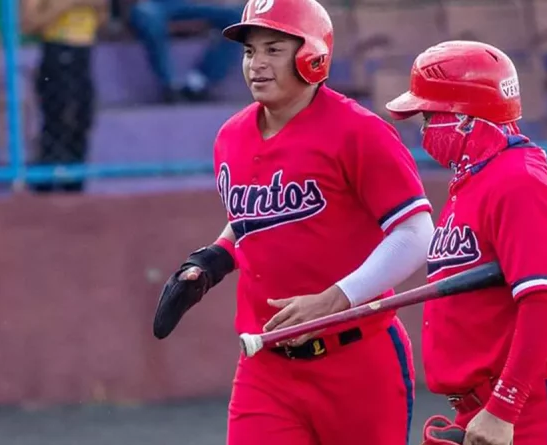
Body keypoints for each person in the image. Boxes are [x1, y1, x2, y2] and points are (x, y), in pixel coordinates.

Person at [152, 1, 434, 444]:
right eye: (249, 52)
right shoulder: (231, 136)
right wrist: (209, 263)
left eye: (273, 49)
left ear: (312, 55)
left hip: (358, 361)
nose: (256, 65)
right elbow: (252, 223)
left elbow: (416, 232)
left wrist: (335, 299)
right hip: (265, 365)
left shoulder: (359, 132)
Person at [385, 41, 547, 445]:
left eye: (430, 115)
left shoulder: (518, 181)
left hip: (529, 407)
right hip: (484, 410)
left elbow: (545, 300)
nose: (424, 128)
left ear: (465, 117)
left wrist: (504, 408)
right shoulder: (474, 181)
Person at [20, 0, 108, 193]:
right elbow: (27, 24)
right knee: (57, 120)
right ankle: (44, 184)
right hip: (55, 51)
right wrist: (64, 6)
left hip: (84, 55)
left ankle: (75, 184)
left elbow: (102, 19)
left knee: (82, 120)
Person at [127, 0, 246, 102]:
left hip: (193, 3)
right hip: (154, 4)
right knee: (146, 14)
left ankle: (198, 83)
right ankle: (170, 86)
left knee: (238, 17)